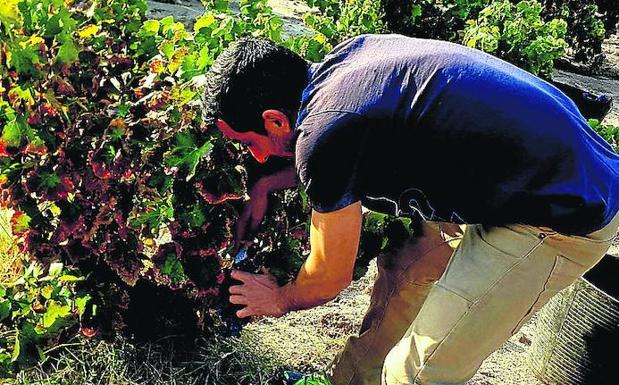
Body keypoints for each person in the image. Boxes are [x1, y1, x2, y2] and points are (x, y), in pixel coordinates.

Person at [202, 34, 619, 385]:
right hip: (546, 176)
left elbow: (329, 278)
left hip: (561, 216)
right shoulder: (347, 64)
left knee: (418, 372)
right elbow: (352, 143)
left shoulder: (326, 134)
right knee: (408, 270)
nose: (256, 158)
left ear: (276, 121)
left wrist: (280, 298)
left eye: (248, 143)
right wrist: (267, 184)